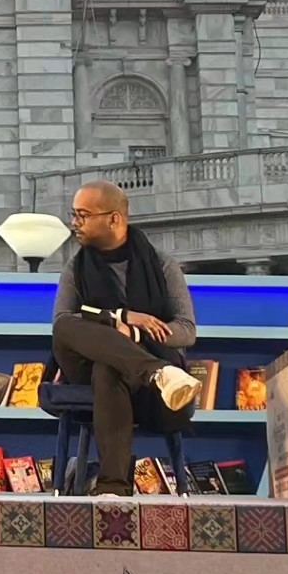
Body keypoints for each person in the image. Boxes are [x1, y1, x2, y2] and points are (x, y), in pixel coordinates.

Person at [52, 180, 201, 495]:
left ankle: (113, 488)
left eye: (82, 215)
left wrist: (132, 332)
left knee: (108, 369)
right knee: (65, 327)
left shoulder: (162, 265)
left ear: (114, 219)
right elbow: (65, 322)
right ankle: (158, 372)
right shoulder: (75, 268)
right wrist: (118, 318)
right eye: (73, 215)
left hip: (128, 375)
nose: (74, 223)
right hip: (85, 364)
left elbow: (186, 330)